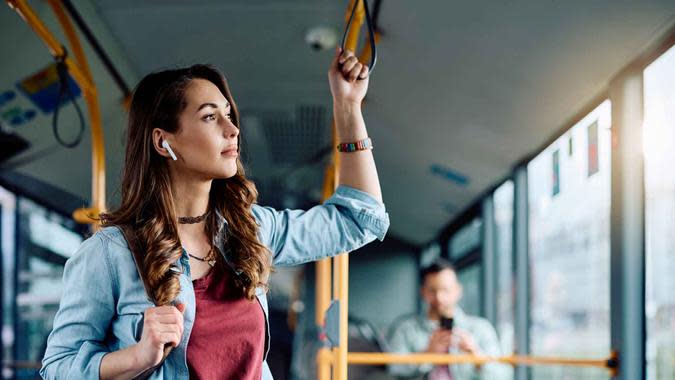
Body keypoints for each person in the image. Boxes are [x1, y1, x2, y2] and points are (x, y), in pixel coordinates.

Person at [40, 48, 389, 379]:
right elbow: (57, 367)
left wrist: (347, 106)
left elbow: (358, 219)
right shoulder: (110, 253)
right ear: (164, 142)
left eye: (228, 114)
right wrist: (137, 356)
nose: (232, 129)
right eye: (210, 116)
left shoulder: (250, 230)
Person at [387, 259, 510, 380]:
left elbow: (502, 375)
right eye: (432, 290)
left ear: (458, 291)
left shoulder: (481, 328)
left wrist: (476, 354)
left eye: (445, 290)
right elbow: (391, 370)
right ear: (423, 292)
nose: (439, 297)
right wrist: (426, 355)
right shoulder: (405, 328)